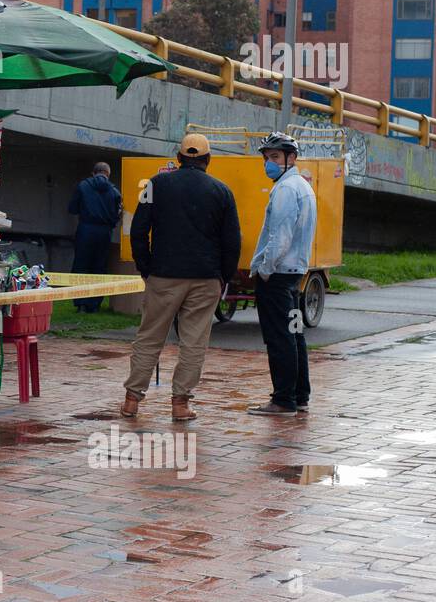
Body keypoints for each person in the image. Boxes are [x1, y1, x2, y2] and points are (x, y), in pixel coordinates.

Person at [122, 134, 241, 421]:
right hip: (205, 278)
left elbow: (138, 231)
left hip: (163, 274)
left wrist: (146, 267)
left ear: (178, 158)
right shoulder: (222, 191)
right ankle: (180, 404)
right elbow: (232, 241)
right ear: (208, 160)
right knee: (193, 342)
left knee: (149, 338)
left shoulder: (156, 185)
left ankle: (131, 402)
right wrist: (223, 276)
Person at [247, 132, 318, 416]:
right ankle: (299, 396)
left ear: (292, 158)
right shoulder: (302, 186)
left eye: (275, 157)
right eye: (266, 158)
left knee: (279, 338)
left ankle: (283, 400)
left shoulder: (286, 189)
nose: (269, 163)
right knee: (294, 334)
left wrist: (264, 269)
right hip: (294, 274)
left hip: (277, 275)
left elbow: (280, 237)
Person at [68, 162, 124, 313]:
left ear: (93, 172)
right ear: (108, 174)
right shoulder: (114, 192)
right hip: (104, 232)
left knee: (81, 265)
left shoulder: (83, 186)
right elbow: (118, 215)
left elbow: (72, 209)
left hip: (85, 229)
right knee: (99, 267)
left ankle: (80, 304)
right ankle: (94, 304)